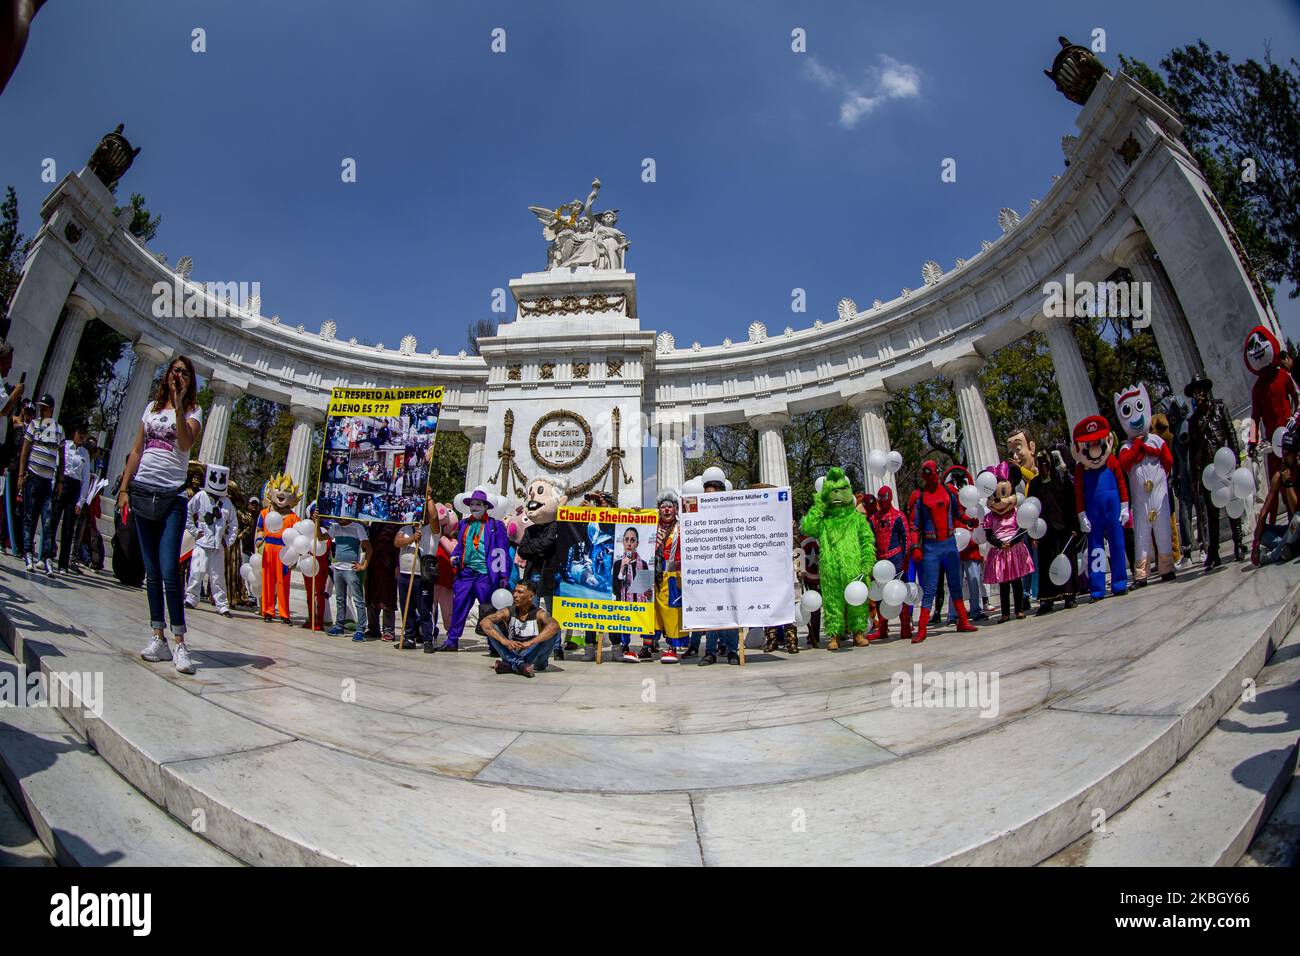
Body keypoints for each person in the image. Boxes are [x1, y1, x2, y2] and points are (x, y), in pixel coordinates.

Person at [116, 356, 203, 675]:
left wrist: (179, 405)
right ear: (167, 374)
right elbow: (137, 450)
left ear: (190, 380)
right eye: (174, 370)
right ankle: (158, 637)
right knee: (151, 570)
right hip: (142, 491)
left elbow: (185, 441)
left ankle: (180, 642)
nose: (178, 375)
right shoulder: (151, 408)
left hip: (172, 497)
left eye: (185, 373)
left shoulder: (193, 411)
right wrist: (124, 489)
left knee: (169, 569)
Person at [1185, 376, 1244, 569]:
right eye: (1195, 392)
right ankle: (1213, 552)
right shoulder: (1193, 421)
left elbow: (1231, 434)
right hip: (1208, 470)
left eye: (1200, 390)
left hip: (1225, 462)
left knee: (1233, 504)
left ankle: (1239, 543)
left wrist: (1237, 459)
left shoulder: (1219, 408)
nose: (1198, 394)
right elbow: (1192, 451)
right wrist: (1194, 477)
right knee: (1212, 512)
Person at [15, 392, 65, 575]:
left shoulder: (59, 430)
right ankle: (27, 552)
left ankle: (46, 557)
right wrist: (21, 474)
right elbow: (24, 451)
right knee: (29, 517)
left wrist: (60, 480)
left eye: (45, 408)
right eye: (40, 408)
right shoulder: (34, 426)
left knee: (48, 520)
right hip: (33, 477)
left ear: (51, 409)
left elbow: (62, 456)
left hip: (48, 480)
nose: (41, 411)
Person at [184, 464, 237, 617]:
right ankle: (191, 598)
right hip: (202, 543)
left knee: (218, 577)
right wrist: (194, 531)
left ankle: (222, 605)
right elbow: (188, 511)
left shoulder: (227, 503)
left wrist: (228, 541)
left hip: (217, 546)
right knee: (196, 571)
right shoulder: (201, 496)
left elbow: (234, 524)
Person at [479, 579, 561, 678]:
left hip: (534, 657)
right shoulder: (508, 611)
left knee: (553, 631)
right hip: (512, 651)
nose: (515, 595)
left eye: (520, 592)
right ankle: (520, 665)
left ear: (530, 597)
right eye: (515, 591)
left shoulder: (539, 613)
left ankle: (511, 664)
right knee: (492, 627)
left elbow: (555, 626)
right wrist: (504, 640)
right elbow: (484, 622)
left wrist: (530, 643)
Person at [1251, 426, 1300, 564]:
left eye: (1288, 454)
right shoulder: (1279, 476)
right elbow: (1265, 510)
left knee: (1298, 519)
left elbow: (1297, 510)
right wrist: (1256, 542)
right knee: (1262, 533)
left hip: (1298, 523)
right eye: (1283, 453)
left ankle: (1272, 555)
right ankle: (1288, 549)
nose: (1284, 457)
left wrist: (1289, 484)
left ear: (1296, 454)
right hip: (1291, 532)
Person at [394, 499, 437, 650]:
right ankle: (409, 637)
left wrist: (429, 497)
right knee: (406, 607)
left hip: (422, 575)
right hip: (405, 574)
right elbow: (397, 542)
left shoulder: (432, 530)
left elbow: (434, 517)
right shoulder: (407, 527)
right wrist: (412, 539)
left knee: (425, 609)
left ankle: (427, 639)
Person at [50, 419, 91, 574]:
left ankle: (62, 564)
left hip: (75, 488)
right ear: (74, 432)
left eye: (84, 434)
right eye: (80, 433)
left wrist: (81, 501)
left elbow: (86, 479)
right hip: (62, 484)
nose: (82, 437)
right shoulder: (65, 446)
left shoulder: (85, 453)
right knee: (52, 521)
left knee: (68, 527)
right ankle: (46, 555)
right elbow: (57, 467)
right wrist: (54, 485)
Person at [327, 514, 371, 641]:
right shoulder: (335, 527)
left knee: (358, 599)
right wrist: (317, 521)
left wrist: (363, 566)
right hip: (338, 568)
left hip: (351, 569)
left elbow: (369, 548)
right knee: (340, 599)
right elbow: (321, 537)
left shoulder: (357, 527)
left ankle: (360, 629)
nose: (340, 518)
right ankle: (339, 625)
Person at [613, 524, 652, 662]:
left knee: (648, 612)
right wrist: (623, 568)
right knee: (620, 612)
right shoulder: (618, 564)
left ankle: (647, 647)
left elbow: (646, 588)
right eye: (627, 540)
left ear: (637, 543)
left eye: (632, 540)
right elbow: (615, 587)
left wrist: (645, 592)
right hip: (624, 603)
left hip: (639, 603)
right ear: (623, 541)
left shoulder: (644, 564)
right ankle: (624, 644)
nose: (629, 543)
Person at [365, 521, 399, 641]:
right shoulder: (374, 523)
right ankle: (373, 627)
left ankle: (388, 630)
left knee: (387, 597)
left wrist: (397, 565)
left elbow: (397, 547)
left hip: (389, 564)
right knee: (372, 595)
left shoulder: (395, 523)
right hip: (373, 563)